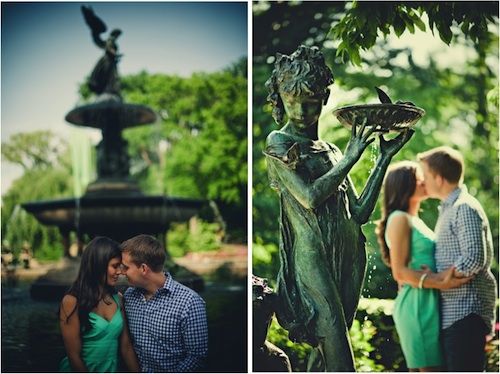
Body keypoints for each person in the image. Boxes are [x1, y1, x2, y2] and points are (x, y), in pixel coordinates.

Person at [263, 45, 414, 371]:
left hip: (347, 252)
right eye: (293, 102)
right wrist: (351, 157)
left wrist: (384, 158)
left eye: (310, 103)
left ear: (324, 100)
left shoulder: (330, 150)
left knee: (326, 355)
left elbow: (359, 212)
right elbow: (310, 197)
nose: (302, 111)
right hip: (312, 256)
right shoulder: (278, 142)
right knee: (340, 355)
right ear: (281, 99)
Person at [376, 161, 472, 371]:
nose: (424, 182)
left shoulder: (414, 219)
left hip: (428, 301)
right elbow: (399, 272)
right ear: (405, 185)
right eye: (419, 178)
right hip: (417, 306)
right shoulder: (399, 219)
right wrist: (440, 282)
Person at [418, 146, 497, 371]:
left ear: (439, 178)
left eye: (425, 175)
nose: (422, 181)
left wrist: (439, 277)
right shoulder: (448, 208)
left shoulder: (464, 207)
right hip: (454, 315)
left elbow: (473, 258)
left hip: (466, 314)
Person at [120, 234, 208, 372]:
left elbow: (197, 357)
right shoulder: (129, 295)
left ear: (143, 269)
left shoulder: (189, 302)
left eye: (125, 267)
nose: (121, 272)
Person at [59, 236, 139, 372]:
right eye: (115, 266)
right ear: (98, 265)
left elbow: (126, 347)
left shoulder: (118, 299)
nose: (119, 272)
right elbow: (74, 356)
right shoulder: (71, 301)